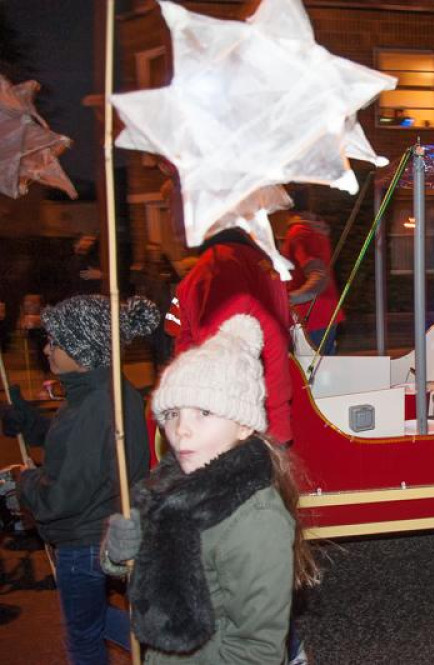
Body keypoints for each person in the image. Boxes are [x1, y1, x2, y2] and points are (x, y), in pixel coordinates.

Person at [102, 315, 320, 664]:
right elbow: (148, 571)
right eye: (172, 413)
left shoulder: (253, 517)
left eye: (204, 412)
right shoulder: (168, 486)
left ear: (244, 426)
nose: (181, 430)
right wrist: (117, 555)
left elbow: (257, 650)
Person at [11, 295, 158, 664]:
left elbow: (62, 496)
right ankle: (166, 647)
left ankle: (165, 647)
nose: (47, 349)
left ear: (85, 351)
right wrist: (28, 422)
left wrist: (26, 481)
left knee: (82, 638)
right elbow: (73, 445)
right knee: (92, 622)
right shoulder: (98, 392)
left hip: (85, 540)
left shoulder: (96, 406)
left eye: (56, 342)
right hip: (98, 532)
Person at [165, 226, 293, 445]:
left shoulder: (216, 267)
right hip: (268, 412)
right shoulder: (264, 265)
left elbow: (216, 356)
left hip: (239, 420)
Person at [281, 211, 344, 355]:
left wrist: (288, 298)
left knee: (310, 370)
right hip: (325, 313)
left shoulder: (299, 234)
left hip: (309, 316)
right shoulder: (316, 232)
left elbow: (318, 277)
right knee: (324, 367)